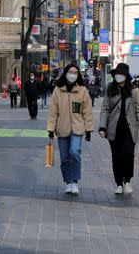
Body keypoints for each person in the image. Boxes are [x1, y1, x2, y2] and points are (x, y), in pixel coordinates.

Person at [99, 63, 139, 195]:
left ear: (126, 76)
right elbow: (105, 109)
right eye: (116, 74)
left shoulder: (134, 90)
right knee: (117, 156)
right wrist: (102, 127)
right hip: (114, 129)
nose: (118, 77)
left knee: (128, 155)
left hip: (129, 129)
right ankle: (119, 183)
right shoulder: (110, 88)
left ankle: (127, 181)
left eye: (121, 74)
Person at [47, 64, 94, 195]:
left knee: (74, 152)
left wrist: (89, 129)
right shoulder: (58, 90)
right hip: (62, 128)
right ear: (66, 73)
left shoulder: (82, 90)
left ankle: (75, 181)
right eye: (70, 72)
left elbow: (87, 111)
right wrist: (50, 129)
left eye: (75, 72)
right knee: (64, 157)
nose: (72, 74)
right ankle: (68, 182)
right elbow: (53, 111)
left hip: (78, 128)